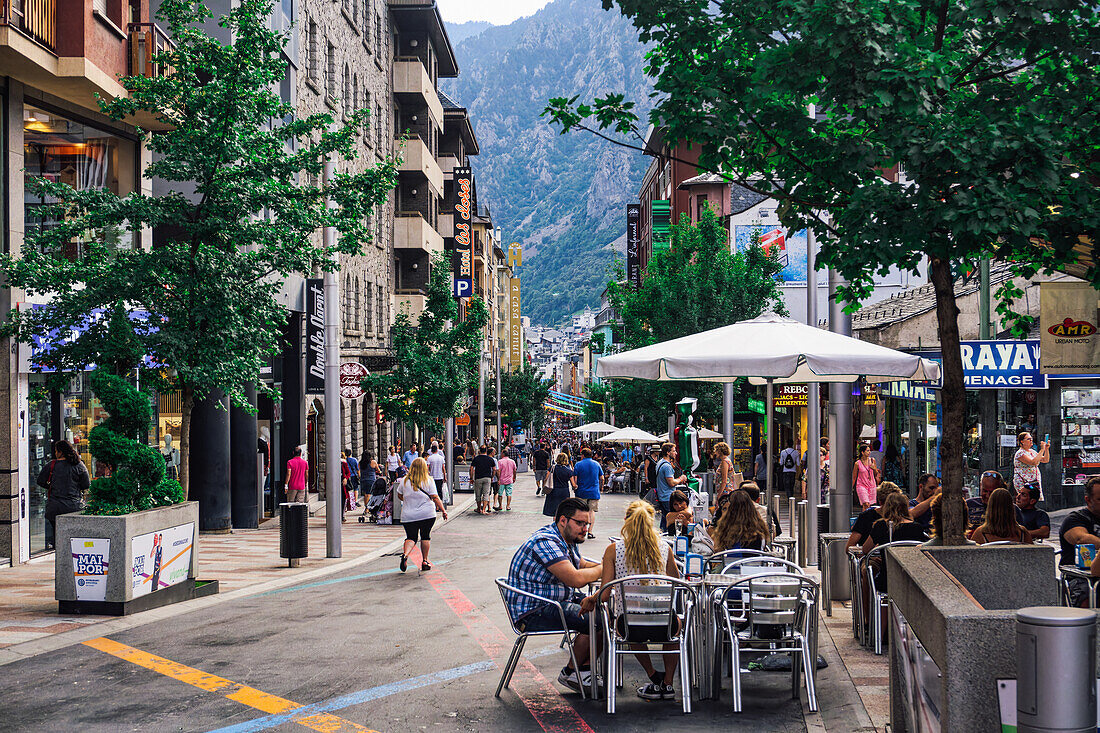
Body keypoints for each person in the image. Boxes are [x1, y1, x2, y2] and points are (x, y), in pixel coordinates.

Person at [583, 501, 682, 701]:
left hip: (629, 626)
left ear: (626, 522)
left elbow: (604, 594)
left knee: (630, 620)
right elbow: (676, 582)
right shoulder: (665, 549)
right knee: (675, 628)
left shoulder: (614, 550)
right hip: (665, 624)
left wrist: (591, 598)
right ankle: (668, 683)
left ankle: (653, 675)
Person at [506, 497, 603, 693]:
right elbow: (575, 578)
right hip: (533, 610)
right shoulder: (546, 541)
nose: (585, 528)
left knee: (608, 612)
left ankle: (581, 671)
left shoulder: (566, 538)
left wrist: (607, 566)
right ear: (562, 521)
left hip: (554, 601)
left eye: (587, 524)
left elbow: (581, 564)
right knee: (597, 619)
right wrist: (607, 570)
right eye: (580, 523)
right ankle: (572, 672)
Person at [397, 457, 448, 572]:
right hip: (427, 514)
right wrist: (443, 510)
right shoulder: (428, 480)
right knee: (425, 536)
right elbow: (435, 497)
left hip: (408, 515)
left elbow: (400, 495)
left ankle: (405, 555)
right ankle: (424, 561)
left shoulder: (404, 481)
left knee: (411, 537)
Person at [38, 440, 89, 550]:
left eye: (56, 451)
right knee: (74, 537)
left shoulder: (51, 465)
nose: (55, 453)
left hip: (55, 508)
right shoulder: (79, 465)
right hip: (74, 507)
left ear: (61, 452)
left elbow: (40, 481)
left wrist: (52, 486)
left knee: (58, 537)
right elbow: (86, 484)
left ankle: (59, 556)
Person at [1063, 477, 1100, 606]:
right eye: (1099, 500)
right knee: (1086, 594)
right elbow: (1081, 539)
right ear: (1088, 500)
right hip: (1079, 576)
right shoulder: (1075, 519)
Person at [862, 492, 929, 554]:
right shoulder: (917, 527)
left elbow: (865, 550)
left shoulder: (881, 525)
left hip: (887, 565)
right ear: (906, 507)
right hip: (910, 565)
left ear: (887, 507)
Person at [846, 482, 904, 551]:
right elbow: (849, 547)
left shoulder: (866, 517)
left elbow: (849, 548)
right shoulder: (903, 518)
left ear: (879, 501)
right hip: (877, 558)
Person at [655, 443, 689, 532]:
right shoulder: (667, 466)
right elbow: (671, 483)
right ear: (668, 452)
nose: (676, 453)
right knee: (670, 520)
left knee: (664, 519)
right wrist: (681, 479)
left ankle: (663, 534)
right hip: (668, 496)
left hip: (662, 495)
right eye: (674, 451)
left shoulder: (660, 463)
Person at [573, 447, 603, 538]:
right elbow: (602, 478)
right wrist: (601, 488)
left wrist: (575, 487)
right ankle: (590, 532)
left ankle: (581, 530)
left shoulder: (578, 465)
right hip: (594, 492)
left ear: (583, 455)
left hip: (581, 491)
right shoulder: (597, 464)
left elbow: (575, 478)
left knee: (581, 511)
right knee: (591, 511)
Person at [1013, 431, 1050, 500]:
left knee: (1033, 499)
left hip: (1033, 481)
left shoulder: (1032, 451)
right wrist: (1042, 449)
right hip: (1023, 481)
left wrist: (1046, 449)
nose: (1031, 441)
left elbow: (1045, 460)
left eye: (1031, 439)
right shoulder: (1020, 453)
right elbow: (1033, 462)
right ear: (1022, 441)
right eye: (1028, 439)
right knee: (1025, 500)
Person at [544, 453, 577, 518]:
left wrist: (545, 486)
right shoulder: (568, 471)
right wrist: (576, 487)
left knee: (554, 511)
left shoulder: (552, 468)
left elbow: (546, 478)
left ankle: (555, 524)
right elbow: (573, 484)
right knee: (563, 510)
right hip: (564, 491)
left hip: (553, 491)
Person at [470, 445, 497, 516]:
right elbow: (494, 469)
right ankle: (484, 510)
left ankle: (479, 508)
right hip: (487, 478)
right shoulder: (490, 459)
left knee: (478, 494)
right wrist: (492, 476)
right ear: (486, 451)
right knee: (486, 494)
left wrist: (471, 478)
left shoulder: (476, 459)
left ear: (479, 451)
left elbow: (472, 468)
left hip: (478, 478)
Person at [853, 443, 878, 511]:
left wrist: (874, 469)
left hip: (871, 485)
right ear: (862, 452)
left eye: (869, 450)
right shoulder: (857, 463)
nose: (869, 452)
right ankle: (865, 519)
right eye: (867, 450)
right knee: (866, 503)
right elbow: (854, 477)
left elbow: (876, 474)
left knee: (869, 505)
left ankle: (865, 518)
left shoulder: (872, 460)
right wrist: (851, 488)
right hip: (861, 485)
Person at [359, 451, 381, 519]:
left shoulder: (360, 463)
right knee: (369, 494)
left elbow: (359, 471)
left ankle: (366, 508)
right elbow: (378, 470)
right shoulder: (373, 462)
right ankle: (367, 509)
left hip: (363, 480)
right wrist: (379, 471)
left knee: (366, 494)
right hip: (371, 480)